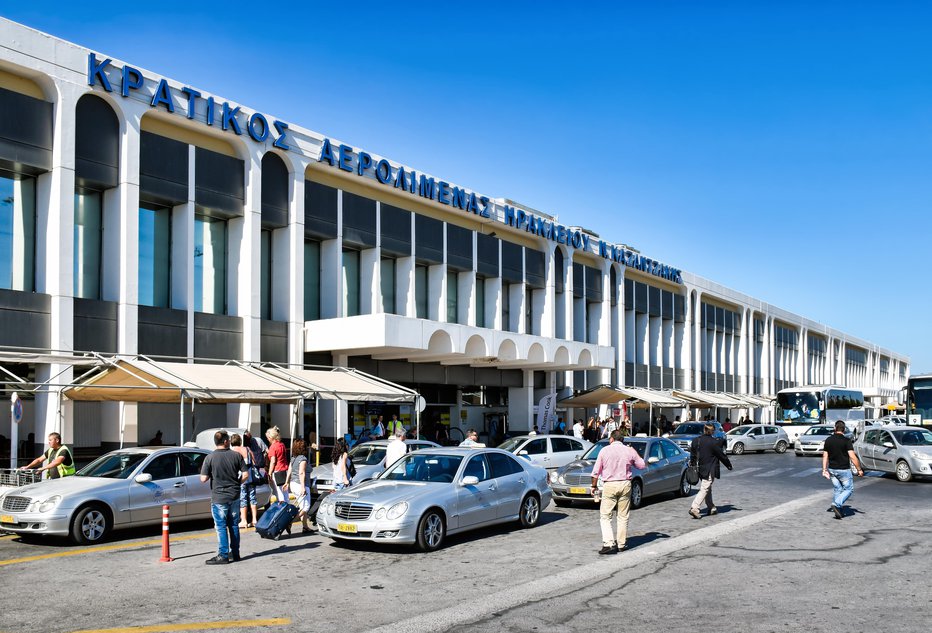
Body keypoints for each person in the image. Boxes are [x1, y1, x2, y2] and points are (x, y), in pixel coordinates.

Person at [590, 429, 646, 555]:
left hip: (610, 484)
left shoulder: (604, 450)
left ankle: (609, 543)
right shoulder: (629, 450)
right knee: (622, 515)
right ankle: (621, 544)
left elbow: (595, 471)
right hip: (625, 484)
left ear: (611, 439)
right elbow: (642, 465)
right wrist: (633, 452)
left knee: (605, 515)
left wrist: (593, 486)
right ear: (622, 440)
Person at [199, 430, 247, 564]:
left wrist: (210, 474)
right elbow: (245, 475)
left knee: (220, 527)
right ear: (226, 441)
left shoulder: (210, 458)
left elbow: (203, 478)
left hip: (219, 498)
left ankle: (223, 554)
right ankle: (235, 553)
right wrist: (237, 483)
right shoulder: (236, 456)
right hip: (235, 496)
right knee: (234, 525)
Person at [689, 423, 733, 519]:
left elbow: (692, 454)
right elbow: (721, 455)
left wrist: (693, 465)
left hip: (699, 468)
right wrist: (728, 465)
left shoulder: (696, 440)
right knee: (705, 488)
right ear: (712, 431)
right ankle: (695, 508)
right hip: (709, 468)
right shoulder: (713, 442)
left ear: (704, 430)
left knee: (707, 487)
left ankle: (711, 507)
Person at [822, 419, 864, 519]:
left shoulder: (828, 440)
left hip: (832, 469)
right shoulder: (846, 441)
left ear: (834, 428)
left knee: (838, 489)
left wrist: (824, 469)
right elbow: (852, 457)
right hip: (844, 470)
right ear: (844, 430)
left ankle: (838, 512)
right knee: (849, 489)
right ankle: (837, 504)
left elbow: (825, 456)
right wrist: (859, 469)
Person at [286, 438, 314, 533]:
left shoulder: (293, 458)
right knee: (306, 507)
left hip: (293, 484)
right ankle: (290, 522)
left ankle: (305, 526)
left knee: (303, 506)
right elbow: (301, 473)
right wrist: (303, 487)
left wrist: (287, 482)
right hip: (301, 485)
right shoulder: (303, 459)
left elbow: (289, 470)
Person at [230, 434, 258, 529]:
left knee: (243, 499)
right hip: (250, 477)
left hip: (241, 477)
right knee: (253, 498)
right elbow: (254, 461)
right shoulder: (247, 449)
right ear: (240, 441)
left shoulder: (233, 451)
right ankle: (254, 520)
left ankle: (244, 521)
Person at [266, 426, 289, 503]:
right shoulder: (282, 445)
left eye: (268, 438)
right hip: (285, 470)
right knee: (285, 491)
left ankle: (282, 508)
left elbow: (273, 461)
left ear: (271, 437)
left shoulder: (273, 447)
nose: (267, 439)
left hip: (277, 471)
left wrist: (269, 473)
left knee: (279, 492)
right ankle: (287, 507)